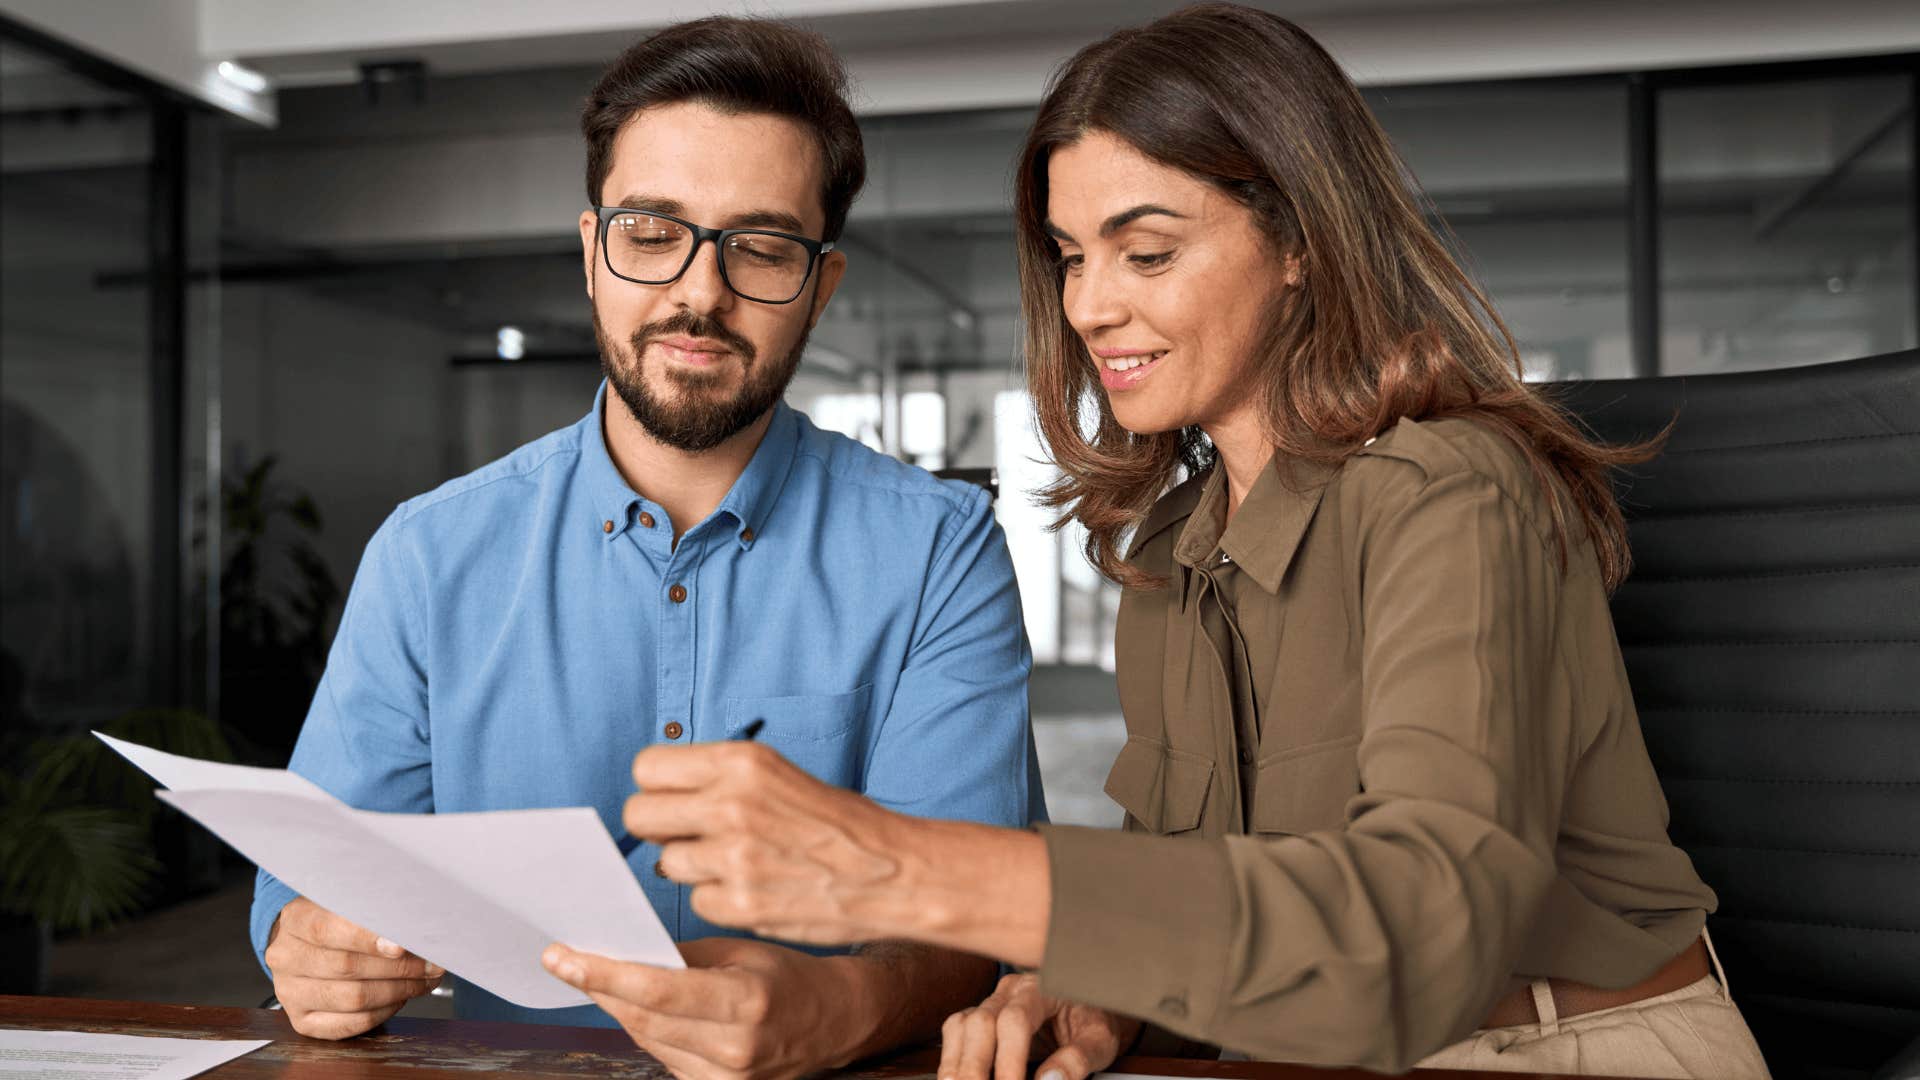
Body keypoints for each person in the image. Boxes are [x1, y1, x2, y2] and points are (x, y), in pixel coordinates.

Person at [557, 6, 1772, 1079]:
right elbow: (1210, 903)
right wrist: (1105, 994)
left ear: (1300, 241)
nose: (1089, 303)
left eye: (1146, 252)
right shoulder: (1174, 554)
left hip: (1562, 1050)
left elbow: (1416, 939)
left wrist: (909, 870)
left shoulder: (1453, 490)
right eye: (1073, 257)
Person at [251, 16, 1045, 1077]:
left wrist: (841, 1002)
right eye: (653, 231)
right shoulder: (430, 557)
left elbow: (971, 919)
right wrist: (307, 949)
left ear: (823, 284)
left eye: (760, 248)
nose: (699, 293)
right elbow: (314, 881)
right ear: (593, 251)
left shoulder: (937, 554)